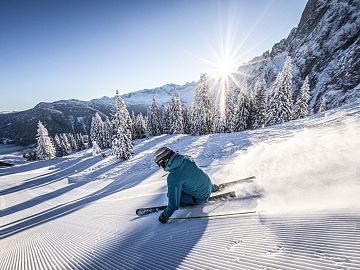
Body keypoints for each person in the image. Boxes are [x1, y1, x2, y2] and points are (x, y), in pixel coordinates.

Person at [154, 147, 219, 223]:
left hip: (202, 197)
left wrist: (164, 216)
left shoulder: (173, 176)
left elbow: (174, 205)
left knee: (170, 194)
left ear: (164, 161)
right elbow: (194, 175)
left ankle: (196, 199)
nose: (161, 167)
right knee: (186, 180)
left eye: (159, 165)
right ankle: (213, 188)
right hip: (209, 185)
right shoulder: (185, 158)